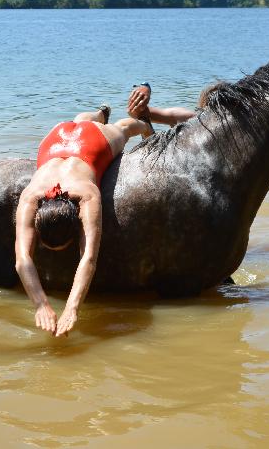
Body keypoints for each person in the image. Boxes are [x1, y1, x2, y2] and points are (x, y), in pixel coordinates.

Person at [15, 87, 194, 337]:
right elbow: (24, 260)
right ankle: (100, 114)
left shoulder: (85, 193)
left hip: (91, 146)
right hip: (55, 142)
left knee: (127, 128)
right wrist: (41, 304)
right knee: (80, 122)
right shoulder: (34, 194)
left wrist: (72, 308)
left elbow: (88, 257)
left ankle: (139, 124)